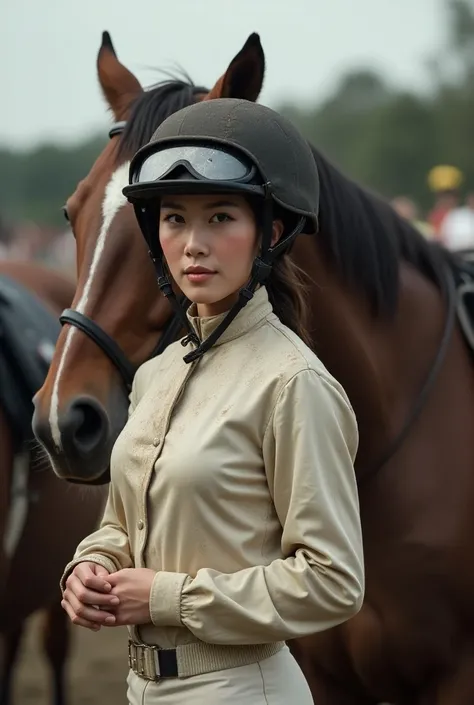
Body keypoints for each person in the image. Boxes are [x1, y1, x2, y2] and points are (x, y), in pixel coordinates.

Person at [60, 98, 364, 704]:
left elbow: (334, 581)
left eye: (220, 218)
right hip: (142, 687)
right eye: (175, 219)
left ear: (269, 234)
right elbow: (125, 521)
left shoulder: (294, 383)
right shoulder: (155, 373)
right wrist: (89, 564)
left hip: (241, 688)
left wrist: (167, 597)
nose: (193, 244)